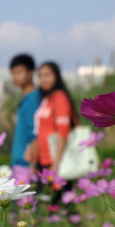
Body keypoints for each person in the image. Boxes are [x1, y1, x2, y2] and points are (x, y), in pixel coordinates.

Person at [28, 61, 79, 208]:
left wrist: (56, 164)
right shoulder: (46, 99)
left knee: (62, 202)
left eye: (47, 75)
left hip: (56, 160)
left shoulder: (60, 98)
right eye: (40, 75)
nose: (43, 79)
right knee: (48, 202)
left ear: (56, 76)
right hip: (43, 160)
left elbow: (63, 131)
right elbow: (39, 131)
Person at [9, 54, 42, 168]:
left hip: (27, 164)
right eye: (13, 73)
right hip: (19, 162)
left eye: (19, 72)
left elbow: (35, 132)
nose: (15, 77)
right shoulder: (25, 98)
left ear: (31, 73)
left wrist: (33, 165)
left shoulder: (34, 98)